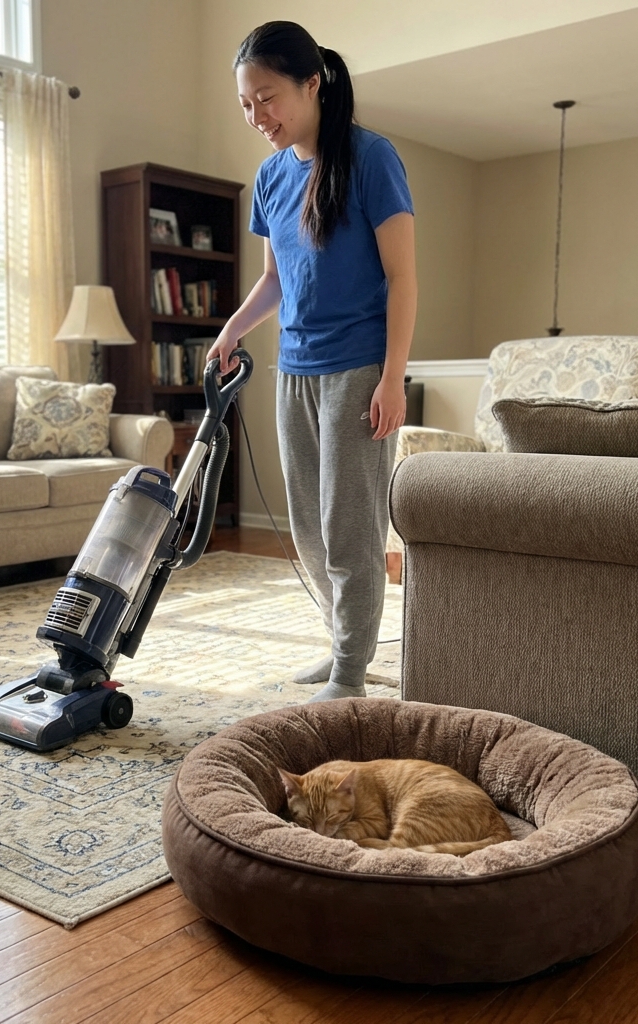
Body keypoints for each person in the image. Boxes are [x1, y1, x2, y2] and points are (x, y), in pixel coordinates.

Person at [207, 21, 417, 702]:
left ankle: (352, 673)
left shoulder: (371, 157)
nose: (256, 116)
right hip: (294, 369)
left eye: (266, 98)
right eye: (245, 104)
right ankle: (338, 647)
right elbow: (275, 279)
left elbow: (403, 278)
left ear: (311, 83)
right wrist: (233, 329)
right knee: (307, 523)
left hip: (358, 368)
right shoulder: (270, 177)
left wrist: (392, 378)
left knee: (348, 523)